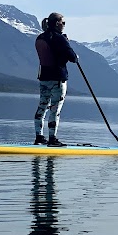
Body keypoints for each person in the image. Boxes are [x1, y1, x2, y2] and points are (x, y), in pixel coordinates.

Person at [34, 12, 78, 147]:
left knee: (42, 106)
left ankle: (39, 137)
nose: (64, 25)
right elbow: (73, 58)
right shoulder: (59, 38)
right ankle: (52, 139)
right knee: (55, 109)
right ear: (57, 23)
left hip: (44, 78)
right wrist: (68, 45)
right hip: (58, 79)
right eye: (63, 23)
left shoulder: (40, 37)